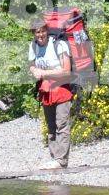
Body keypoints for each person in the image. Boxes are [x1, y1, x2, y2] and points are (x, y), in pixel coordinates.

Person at [27, 16, 75, 171]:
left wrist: (44, 73)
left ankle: (62, 160)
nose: (40, 35)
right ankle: (55, 158)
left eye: (42, 31)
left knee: (62, 125)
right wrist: (34, 71)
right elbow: (32, 66)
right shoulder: (33, 47)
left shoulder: (59, 45)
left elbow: (66, 70)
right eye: (37, 32)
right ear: (33, 33)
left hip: (61, 89)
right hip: (45, 90)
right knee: (51, 126)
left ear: (47, 30)